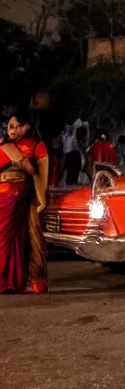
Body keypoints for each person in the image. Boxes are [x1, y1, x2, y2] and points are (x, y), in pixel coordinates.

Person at [0, 111, 49, 294]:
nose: (11, 130)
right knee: (11, 239)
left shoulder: (35, 145)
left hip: (14, 195)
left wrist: (41, 197)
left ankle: (33, 281)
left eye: (15, 126)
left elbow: (37, 173)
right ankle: (11, 281)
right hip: (10, 194)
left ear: (26, 126)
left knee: (12, 238)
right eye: (9, 126)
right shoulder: (7, 145)